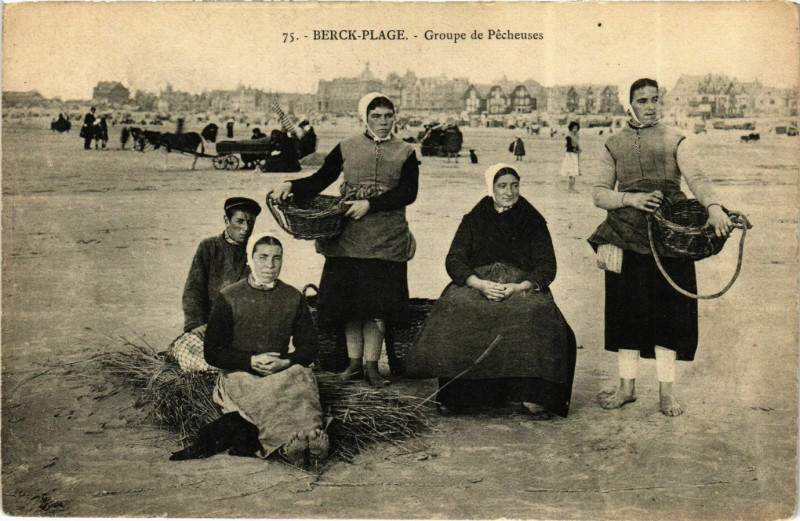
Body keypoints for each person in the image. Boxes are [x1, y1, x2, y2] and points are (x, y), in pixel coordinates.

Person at [588, 78, 734, 417]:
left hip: (672, 236)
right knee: (626, 314)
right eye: (642, 100)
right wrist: (630, 199)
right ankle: (626, 387)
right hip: (624, 233)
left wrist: (713, 207)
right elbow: (598, 193)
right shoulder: (613, 143)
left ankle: (666, 393)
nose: (650, 106)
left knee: (671, 315)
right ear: (630, 105)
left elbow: (698, 178)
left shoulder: (676, 138)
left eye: (655, 99)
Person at [405, 164, 577, 419]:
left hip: (519, 283)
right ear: (491, 188)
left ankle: (531, 394)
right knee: (458, 306)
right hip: (479, 282)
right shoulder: (474, 218)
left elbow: (547, 265)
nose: (509, 192)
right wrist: (478, 284)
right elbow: (455, 259)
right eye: (502, 186)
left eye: (514, 185)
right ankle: (460, 395)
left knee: (534, 310)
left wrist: (520, 287)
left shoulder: (532, 220)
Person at [272, 92, 419, 387]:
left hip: (387, 240)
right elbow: (320, 179)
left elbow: (408, 193)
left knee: (377, 308)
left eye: (388, 116)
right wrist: (291, 184)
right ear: (364, 118)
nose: (382, 122)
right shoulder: (347, 146)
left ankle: (372, 366)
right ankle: (353, 364)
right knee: (351, 306)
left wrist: (372, 205)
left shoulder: (406, 151)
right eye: (376, 116)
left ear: (395, 118)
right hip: (348, 239)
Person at [170, 236, 328, 465]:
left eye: (276, 258)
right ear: (251, 260)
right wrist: (250, 361)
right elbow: (213, 352)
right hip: (241, 374)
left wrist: (285, 362)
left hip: (280, 370)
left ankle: (313, 440)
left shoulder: (293, 296)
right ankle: (286, 446)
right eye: (263, 258)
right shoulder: (229, 297)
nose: (270, 265)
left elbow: (310, 347)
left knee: (300, 378)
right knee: (266, 399)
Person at [170, 197, 261, 372]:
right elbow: (193, 289)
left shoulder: (256, 250)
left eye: (251, 222)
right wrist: (195, 324)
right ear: (226, 220)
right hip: (208, 326)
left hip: (241, 330)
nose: (246, 228)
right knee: (187, 350)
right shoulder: (208, 247)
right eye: (240, 221)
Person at [560, 121, 581, 193]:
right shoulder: (569, 136)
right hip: (570, 155)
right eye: (574, 128)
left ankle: (572, 188)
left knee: (574, 172)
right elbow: (568, 146)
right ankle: (570, 188)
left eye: (576, 128)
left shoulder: (576, 135)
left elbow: (576, 145)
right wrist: (575, 149)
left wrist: (578, 149)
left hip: (574, 155)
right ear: (571, 128)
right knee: (572, 172)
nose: (575, 129)